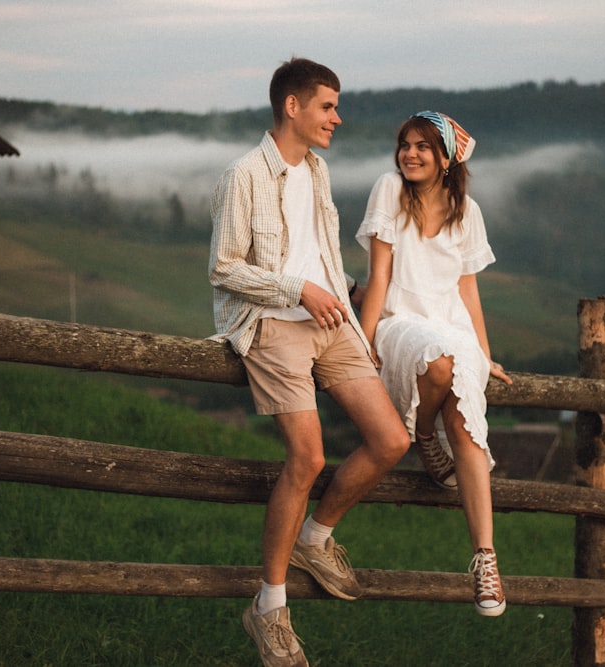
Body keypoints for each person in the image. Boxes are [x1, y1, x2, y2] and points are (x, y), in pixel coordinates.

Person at [209, 57, 410, 667]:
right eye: (327, 106)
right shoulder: (243, 174)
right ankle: (268, 609)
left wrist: (352, 303)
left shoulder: (317, 171)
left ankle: (315, 538)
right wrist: (297, 290)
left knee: (391, 440)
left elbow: (318, 251)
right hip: (275, 324)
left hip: (331, 322)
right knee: (309, 456)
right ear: (292, 106)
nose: (336, 118)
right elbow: (223, 267)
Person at [356, 111, 513, 617]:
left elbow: (468, 289)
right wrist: (362, 338)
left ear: (446, 158)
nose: (411, 154)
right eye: (405, 144)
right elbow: (378, 276)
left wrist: (485, 355)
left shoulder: (467, 211)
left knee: (467, 426)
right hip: (401, 321)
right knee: (440, 363)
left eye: (424, 146)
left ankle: (486, 562)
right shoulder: (388, 189)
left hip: (452, 325)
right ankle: (423, 437)